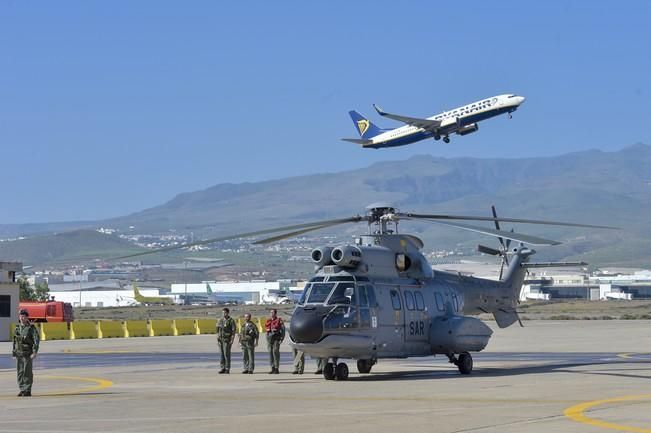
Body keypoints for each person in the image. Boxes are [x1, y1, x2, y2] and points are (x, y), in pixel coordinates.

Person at [12, 309, 40, 397]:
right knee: (20, 372)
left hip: (28, 354)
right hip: (19, 353)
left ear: (27, 317)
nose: (22, 318)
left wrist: (34, 352)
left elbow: (36, 340)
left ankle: (27, 390)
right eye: (21, 316)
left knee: (27, 372)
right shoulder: (17, 328)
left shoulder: (31, 328)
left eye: (24, 316)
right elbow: (15, 341)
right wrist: (14, 353)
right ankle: (22, 389)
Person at [216, 307, 236, 374]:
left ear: (227, 313)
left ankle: (227, 368)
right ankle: (222, 368)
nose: (223, 314)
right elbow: (218, 330)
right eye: (222, 313)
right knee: (221, 354)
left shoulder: (231, 321)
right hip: (221, 340)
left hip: (227, 340)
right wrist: (217, 338)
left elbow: (233, 331)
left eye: (225, 313)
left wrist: (232, 340)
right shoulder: (220, 320)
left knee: (226, 354)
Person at [264, 309, 285, 374]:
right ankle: (272, 367)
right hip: (270, 339)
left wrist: (282, 339)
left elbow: (283, 330)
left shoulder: (279, 320)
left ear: (275, 313)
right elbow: (266, 330)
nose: (271, 313)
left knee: (275, 352)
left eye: (272, 312)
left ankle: (276, 368)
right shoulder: (268, 320)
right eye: (270, 312)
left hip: (276, 338)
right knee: (270, 353)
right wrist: (267, 338)